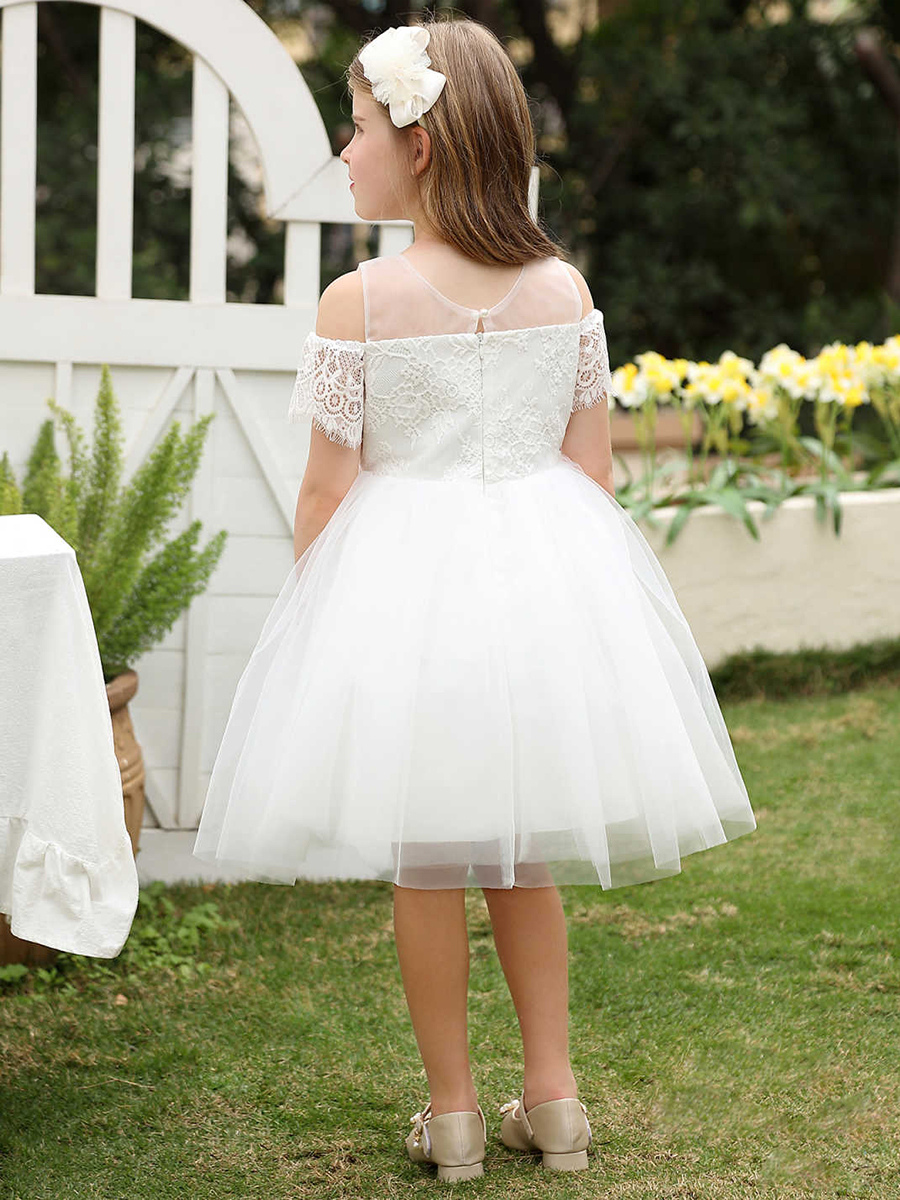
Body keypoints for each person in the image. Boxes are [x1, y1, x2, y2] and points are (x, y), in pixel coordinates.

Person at [193, 16, 756, 1184]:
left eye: (358, 128)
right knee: (521, 851)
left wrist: (322, 628)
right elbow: (591, 473)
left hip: (405, 605)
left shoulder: (359, 302)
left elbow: (326, 490)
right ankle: (554, 1100)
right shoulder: (564, 289)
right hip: (543, 597)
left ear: (422, 145)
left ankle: (452, 1116)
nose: (345, 152)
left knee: (427, 857)